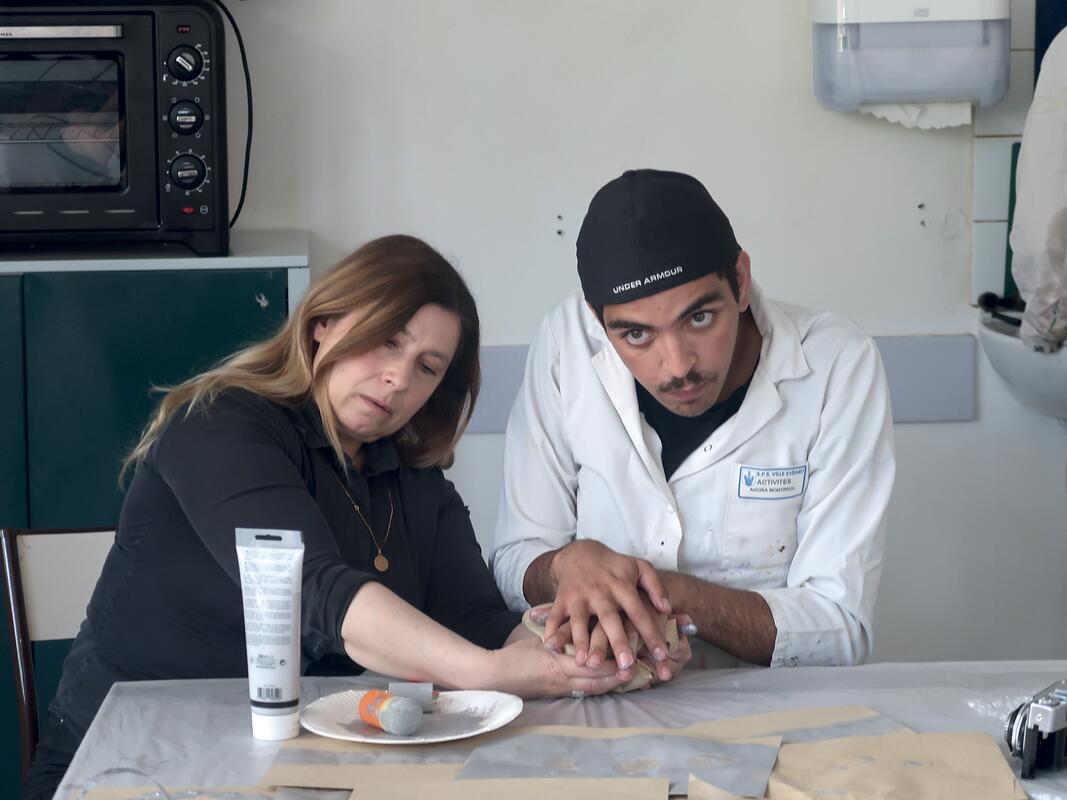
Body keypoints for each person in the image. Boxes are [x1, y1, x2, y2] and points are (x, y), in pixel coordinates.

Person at [23, 235, 679, 800]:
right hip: (126, 768)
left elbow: (479, 627)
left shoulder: (414, 480)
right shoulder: (222, 423)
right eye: (385, 341)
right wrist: (487, 674)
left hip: (292, 769)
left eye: (426, 367)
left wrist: (585, 647)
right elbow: (317, 592)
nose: (398, 379)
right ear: (323, 325)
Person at [491, 169, 895, 674]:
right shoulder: (564, 346)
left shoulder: (837, 364)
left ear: (741, 282)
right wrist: (567, 566)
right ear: (598, 322)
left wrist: (661, 593)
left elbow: (841, 627)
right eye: (636, 335)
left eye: (699, 318)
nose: (678, 365)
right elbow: (512, 561)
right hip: (604, 700)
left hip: (772, 711)